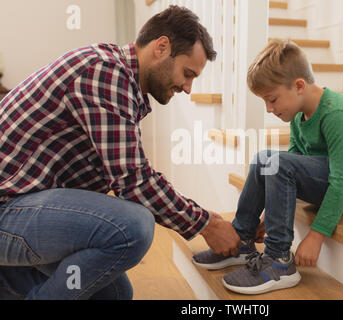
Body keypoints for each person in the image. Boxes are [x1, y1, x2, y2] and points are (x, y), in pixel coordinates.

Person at [0, 5, 241, 300]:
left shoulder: (118, 78)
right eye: (187, 73)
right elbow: (134, 182)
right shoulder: (104, 71)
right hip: (6, 210)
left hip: (21, 204)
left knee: (113, 295)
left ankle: (10, 280)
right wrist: (207, 224)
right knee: (134, 226)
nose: (188, 87)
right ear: (162, 47)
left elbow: (122, 177)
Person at [192, 39, 343, 295]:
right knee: (265, 159)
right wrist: (267, 217)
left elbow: (342, 180)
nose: (269, 109)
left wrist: (317, 235)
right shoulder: (299, 114)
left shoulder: (337, 113)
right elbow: (293, 165)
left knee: (275, 161)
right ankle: (242, 239)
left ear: (299, 86)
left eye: (272, 100)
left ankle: (280, 261)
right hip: (330, 177)